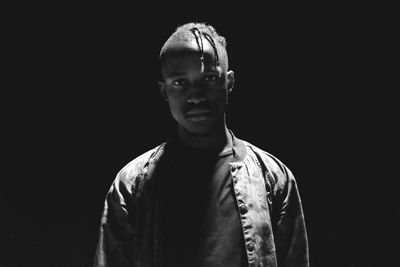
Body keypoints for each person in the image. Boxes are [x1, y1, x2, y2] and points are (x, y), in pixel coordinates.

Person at [93, 22, 309, 267]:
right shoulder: (131, 185)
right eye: (179, 82)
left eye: (209, 78)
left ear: (229, 82)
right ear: (164, 91)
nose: (195, 95)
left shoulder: (274, 178)